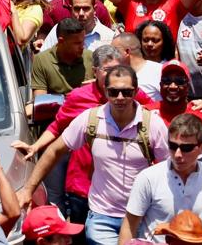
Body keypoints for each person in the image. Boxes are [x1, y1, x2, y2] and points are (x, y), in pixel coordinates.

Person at [16, 65, 169, 244]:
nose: (120, 98)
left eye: (126, 92)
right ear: (105, 91)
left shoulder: (152, 124)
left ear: (135, 92)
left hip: (141, 216)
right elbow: (54, 151)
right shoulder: (91, 119)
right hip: (101, 217)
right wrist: (28, 190)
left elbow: (169, 168)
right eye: (114, 92)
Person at [119, 114, 202, 243]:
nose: (178, 154)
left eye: (186, 148)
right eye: (173, 146)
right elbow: (130, 225)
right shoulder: (148, 177)